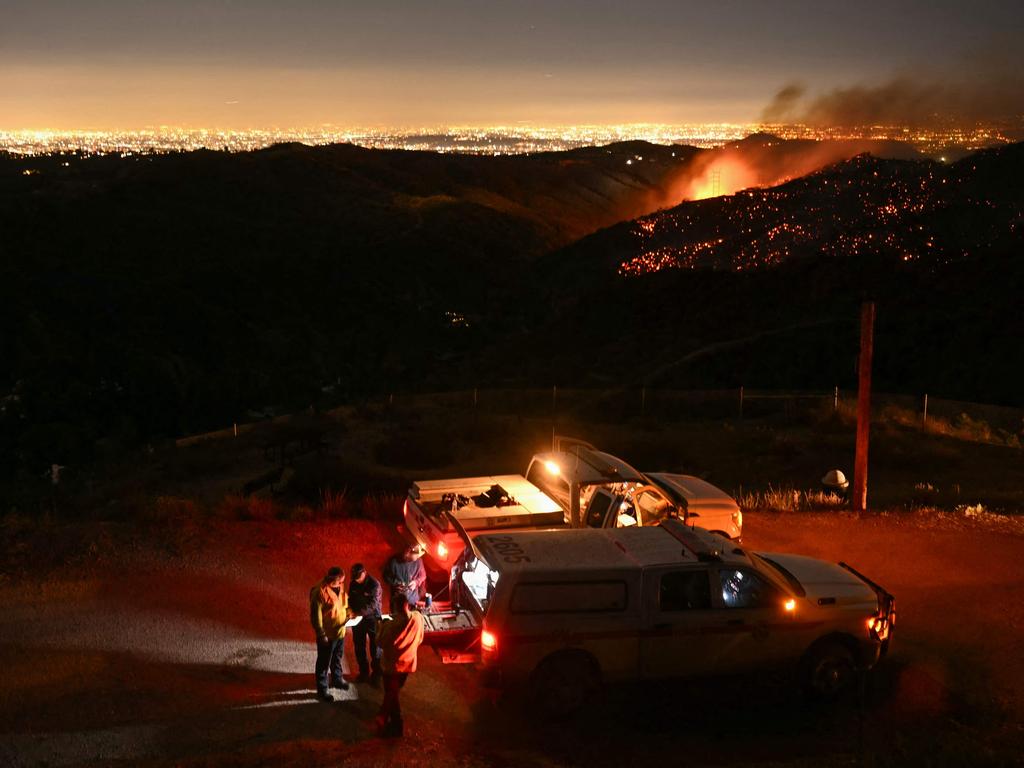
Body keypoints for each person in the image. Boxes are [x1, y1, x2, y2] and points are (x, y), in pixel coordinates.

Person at [375, 594, 425, 737]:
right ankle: (392, 721)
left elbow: (379, 642)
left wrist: (379, 627)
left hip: (392, 666)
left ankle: (393, 723)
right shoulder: (417, 618)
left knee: (391, 693)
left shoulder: (391, 626)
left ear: (394, 607)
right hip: (408, 664)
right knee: (393, 693)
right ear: (407, 604)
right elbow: (420, 638)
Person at [309, 566, 351, 701]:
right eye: (340, 582)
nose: (342, 584)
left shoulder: (340, 585)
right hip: (328, 634)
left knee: (337, 657)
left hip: (340, 630)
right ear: (333, 580)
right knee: (323, 662)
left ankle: (337, 679)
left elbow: (344, 602)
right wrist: (321, 634)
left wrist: (349, 613)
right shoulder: (319, 592)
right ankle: (322, 689)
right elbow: (316, 616)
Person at [347, 562, 383, 684]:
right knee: (359, 646)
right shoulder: (353, 583)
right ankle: (363, 673)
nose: (356, 580)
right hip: (358, 620)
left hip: (372, 619)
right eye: (355, 578)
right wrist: (349, 610)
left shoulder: (374, 585)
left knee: (376, 647)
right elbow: (350, 599)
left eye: (358, 577)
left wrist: (357, 613)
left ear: (364, 573)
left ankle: (377, 675)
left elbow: (372, 605)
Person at [383, 544, 427, 612]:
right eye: (415, 555)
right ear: (408, 552)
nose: (417, 557)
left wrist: (416, 582)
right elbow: (386, 576)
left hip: (413, 600)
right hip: (398, 601)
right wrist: (396, 583)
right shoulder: (393, 562)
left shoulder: (418, 561)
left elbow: (423, 575)